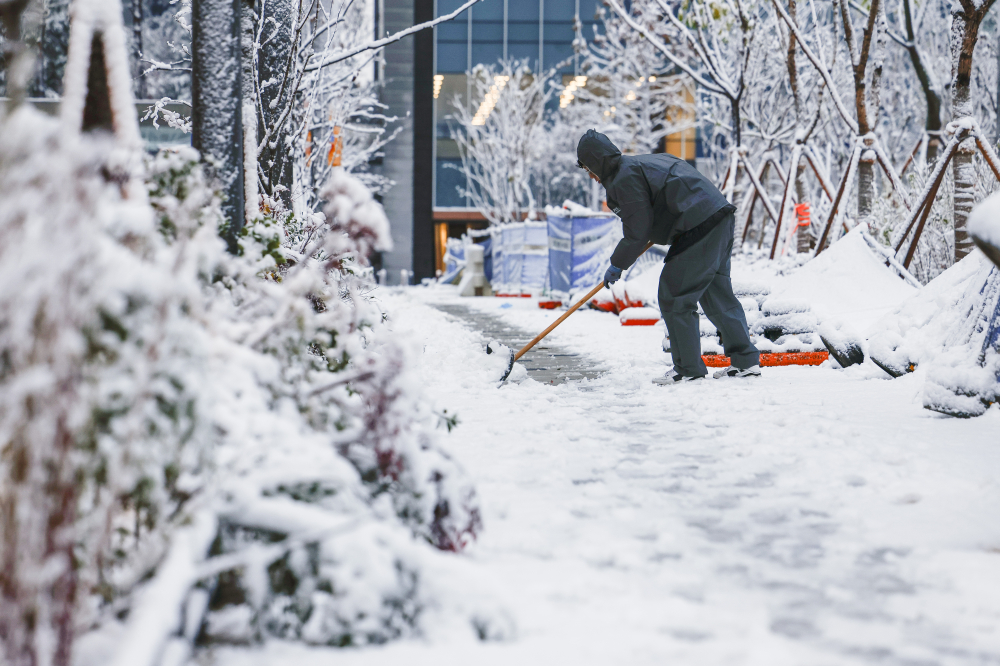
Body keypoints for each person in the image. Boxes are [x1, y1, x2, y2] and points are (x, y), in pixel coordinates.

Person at [576, 129, 760, 385]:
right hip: (719, 216)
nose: (591, 176)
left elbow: (637, 231)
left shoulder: (623, 178)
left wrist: (617, 264)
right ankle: (745, 362)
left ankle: (687, 369)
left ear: (597, 162)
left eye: (588, 168)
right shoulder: (640, 163)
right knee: (716, 293)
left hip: (697, 224)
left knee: (675, 294)